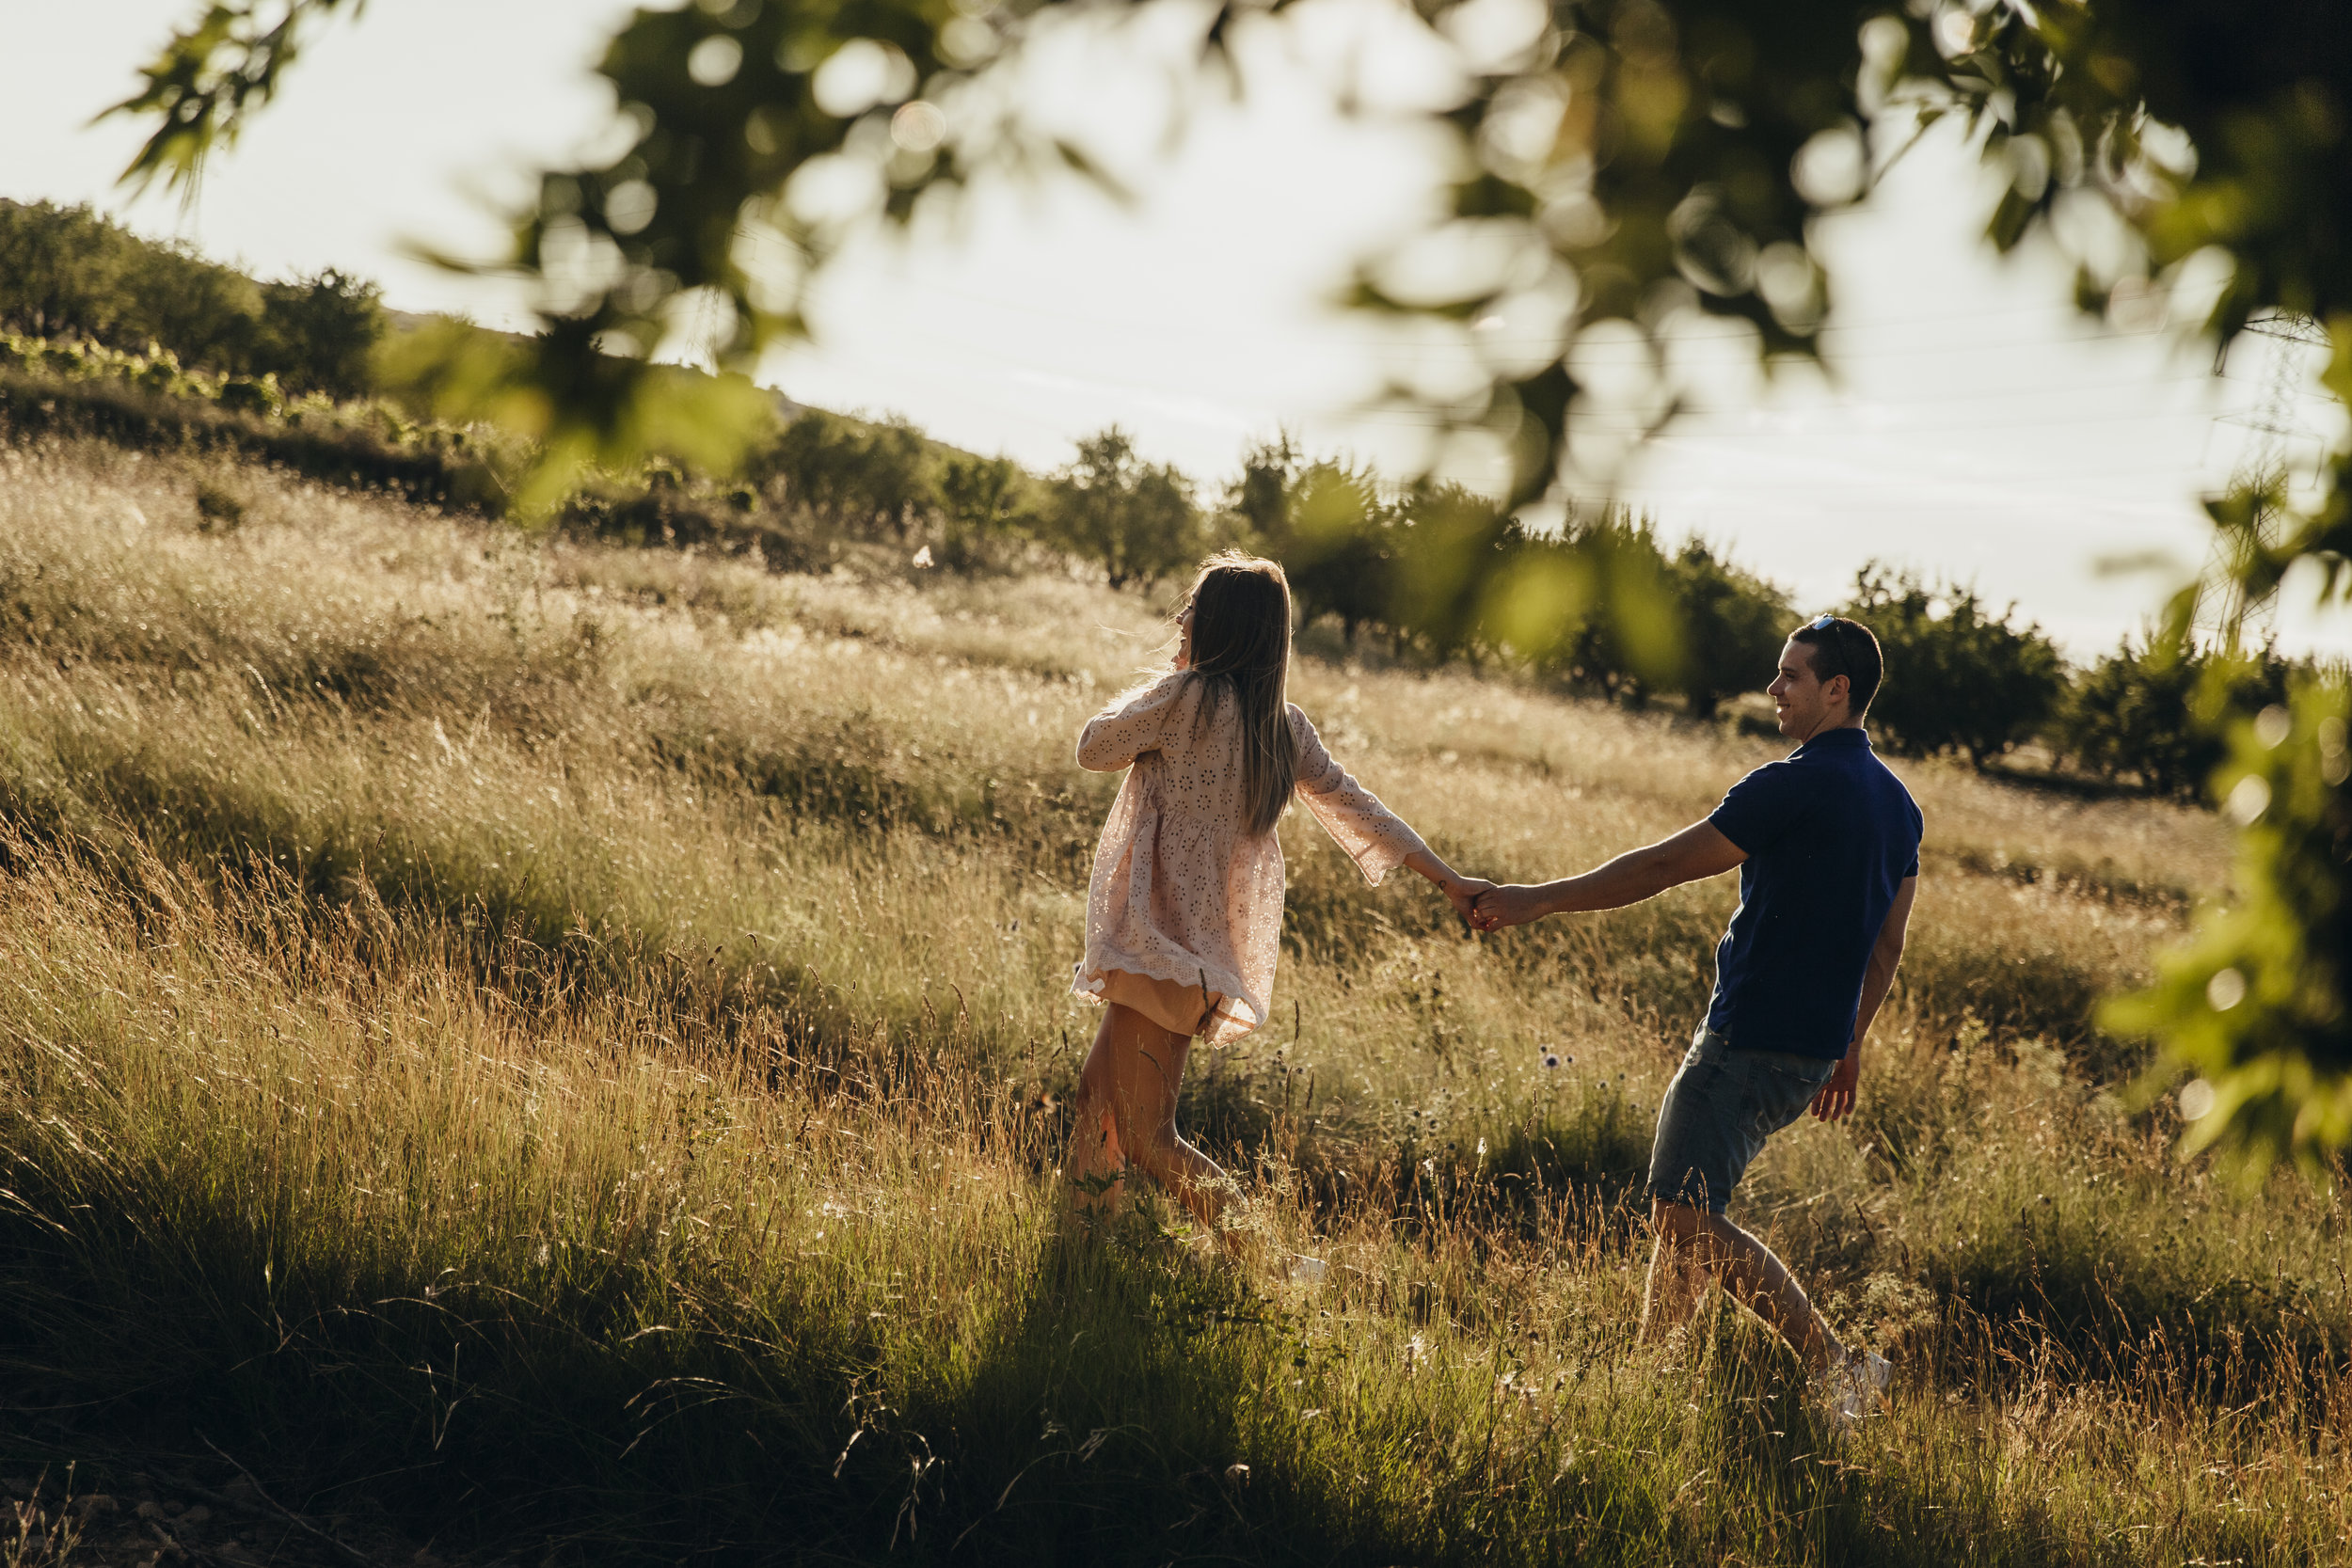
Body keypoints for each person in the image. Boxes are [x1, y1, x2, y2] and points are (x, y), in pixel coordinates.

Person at [1470, 614, 1920, 1421]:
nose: (1774, 689)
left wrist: (1536, 899)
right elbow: (1888, 947)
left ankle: (1839, 1363)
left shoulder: (1788, 783)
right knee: (1691, 1211)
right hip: (1811, 1053)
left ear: (1837, 689)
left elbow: (1662, 866)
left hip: (1744, 1040)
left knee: (1680, 1212)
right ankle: (1647, 1385)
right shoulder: (1900, 806)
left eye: (1790, 675)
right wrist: (1851, 1042)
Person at [1066, 551, 1489, 1257]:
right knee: (1094, 1103)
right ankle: (1087, 1247)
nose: (1180, 618)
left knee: (1146, 1135)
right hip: (1190, 959)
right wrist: (1449, 880)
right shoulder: (1280, 727)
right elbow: (1363, 811)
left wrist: (1168, 682)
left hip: (1160, 949)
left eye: (1191, 609)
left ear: (1221, 626)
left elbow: (1092, 746)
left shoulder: (1186, 699)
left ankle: (1274, 1263)